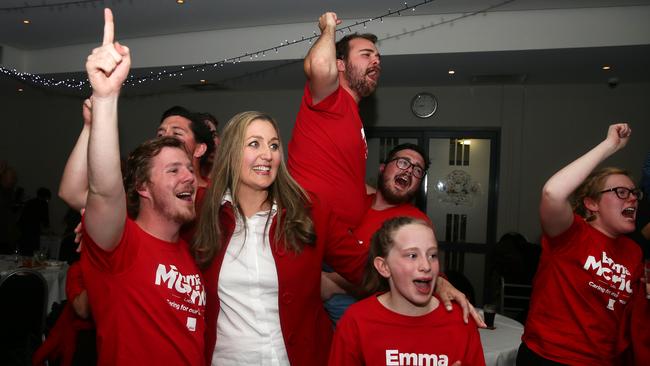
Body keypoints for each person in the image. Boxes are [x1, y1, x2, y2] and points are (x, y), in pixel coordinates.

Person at [192, 110, 369, 365]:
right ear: (230, 153)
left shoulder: (310, 211)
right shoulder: (202, 210)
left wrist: (429, 274)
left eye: (274, 145)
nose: (268, 154)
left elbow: (365, 265)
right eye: (254, 144)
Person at [79, 9, 206, 365]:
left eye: (189, 168)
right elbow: (103, 190)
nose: (189, 177)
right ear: (143, 188)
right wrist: (106, 98)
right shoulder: (120, 246)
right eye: (173, 170)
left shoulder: (187, 256)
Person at [517, 123, 643, 365]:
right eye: (621, 192)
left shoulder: (633, 252)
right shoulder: (570, 234)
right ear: (591, 204)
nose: (633, 199)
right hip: (548, 357)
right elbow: (553, 193)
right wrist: (609, 146)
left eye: (635, 193)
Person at [328, 217, 485, 366]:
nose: (426, 265)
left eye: (432, 255)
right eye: (412, 255)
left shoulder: (460, 321)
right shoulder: (357, 322)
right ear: (384, 267)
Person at [288, 11, 381, 229]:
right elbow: (319, 65)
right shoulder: (332, 98)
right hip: (311, 232)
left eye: (378, 57)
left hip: (340, 240)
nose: (376, 61)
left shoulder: (353, 116)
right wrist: (328, 28)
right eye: (366, 55)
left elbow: (347, 179)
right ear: (340, 64)